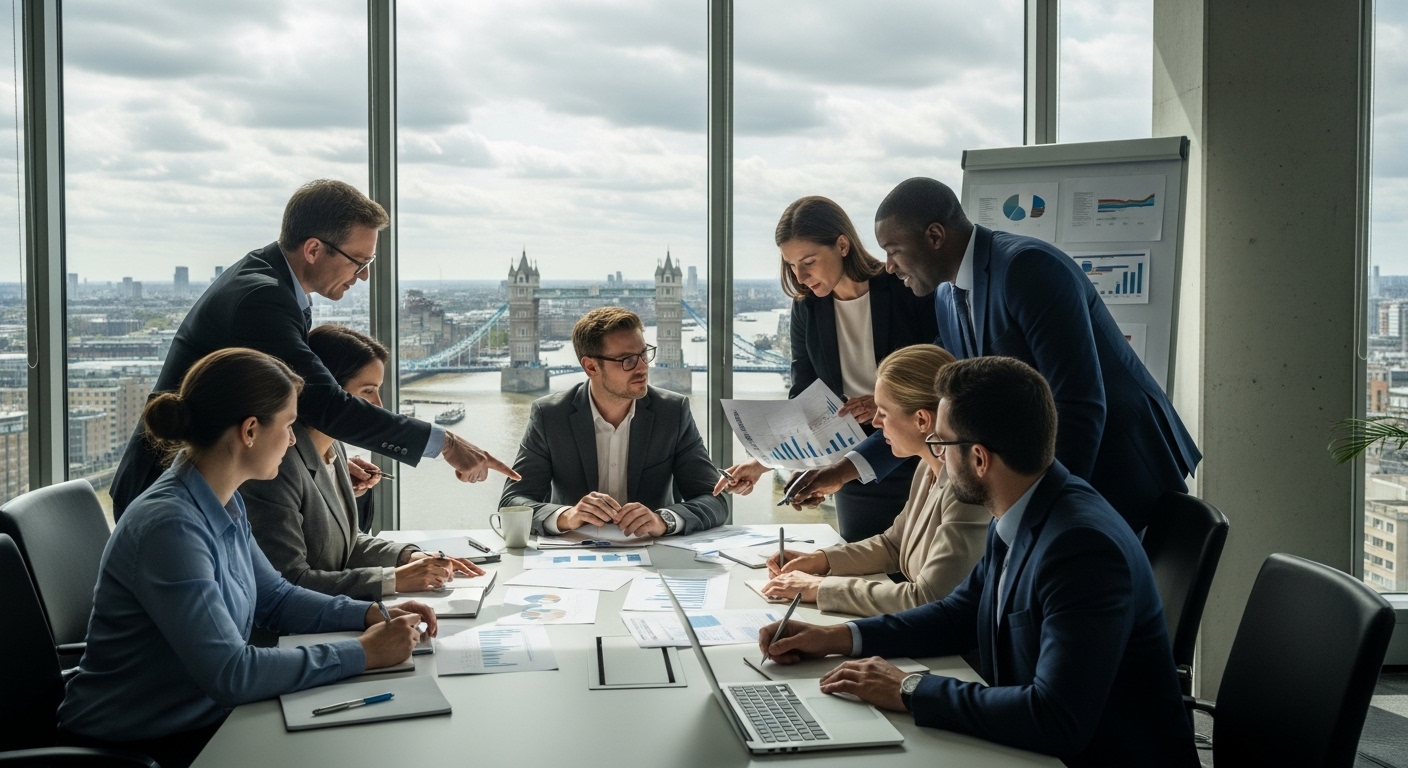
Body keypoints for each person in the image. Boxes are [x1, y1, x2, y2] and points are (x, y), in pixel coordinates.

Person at [758, 357, 1197, 768]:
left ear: (979, 459)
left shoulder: (1081, 549)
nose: (937, 455)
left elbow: (1055, 717)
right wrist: (833, 637)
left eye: (942, 443)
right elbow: (958, 614)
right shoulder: (1024, 506)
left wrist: (909, 688)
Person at [58, 349, 437, 768]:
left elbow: (274, 596)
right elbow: (232, 674)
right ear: (250, 431)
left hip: (208, 719)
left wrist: (369, 614)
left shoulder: (221, 498)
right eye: (289, 424)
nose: (294, 440)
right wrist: (364, 653)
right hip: (145, 745)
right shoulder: (171, 527)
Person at [787, 177, 1200, 532]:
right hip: (1055, 474)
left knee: (1118, 614)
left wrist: (1040, 514)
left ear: (934, 236)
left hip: (1120, 467)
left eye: (894, 250)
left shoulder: (1026, 268)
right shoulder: (947, 296)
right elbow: (925, 401)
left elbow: (1078, 405)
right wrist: (845, 470)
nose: (889, 267)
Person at [109, 179, 518, 519]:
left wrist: (324, 466)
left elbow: (285, 406)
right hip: (169, 495)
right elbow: (324, 403)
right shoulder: (261, 300)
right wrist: (445, 443)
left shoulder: (269, 280)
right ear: (312, 249)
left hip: (202, 484)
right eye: (358, 261)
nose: (363, 276)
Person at [715, 196, 938, 541]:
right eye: (791, 266)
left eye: (808, 262)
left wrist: (883, 403)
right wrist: (764, 463)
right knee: (865, 570)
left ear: (843, 245)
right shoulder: (807, 308)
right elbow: (805, 401)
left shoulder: (905, 288)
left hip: (919, 459)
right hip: (850, 469)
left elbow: (937, 374)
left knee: (920, 577)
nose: (800, 277)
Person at [242, 325, 483, 603]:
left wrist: (409, 556)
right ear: (333, 396)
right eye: (368, 391)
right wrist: (395, 579)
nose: (378, 406)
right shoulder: (278, 467)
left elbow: (347, 543)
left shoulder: (335, 448)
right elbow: (289, 582)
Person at [758, 345, 988, 615]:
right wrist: (818, 560)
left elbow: (927, 597)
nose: (875, 423)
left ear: (922, 420)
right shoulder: (928, 469)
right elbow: (893, 545)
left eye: (883, 412)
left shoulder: (966, 491)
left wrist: (819, 588)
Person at [501, 307, 727, 537]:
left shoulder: (672, 412)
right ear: (591, 366)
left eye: (644, 354)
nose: (642, 367)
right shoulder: (550, 416)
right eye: (627, 360)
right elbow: (511, 502)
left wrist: (663, 520)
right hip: (574, 554)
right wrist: (567, 516)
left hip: (654, 553)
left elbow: (715, 500)